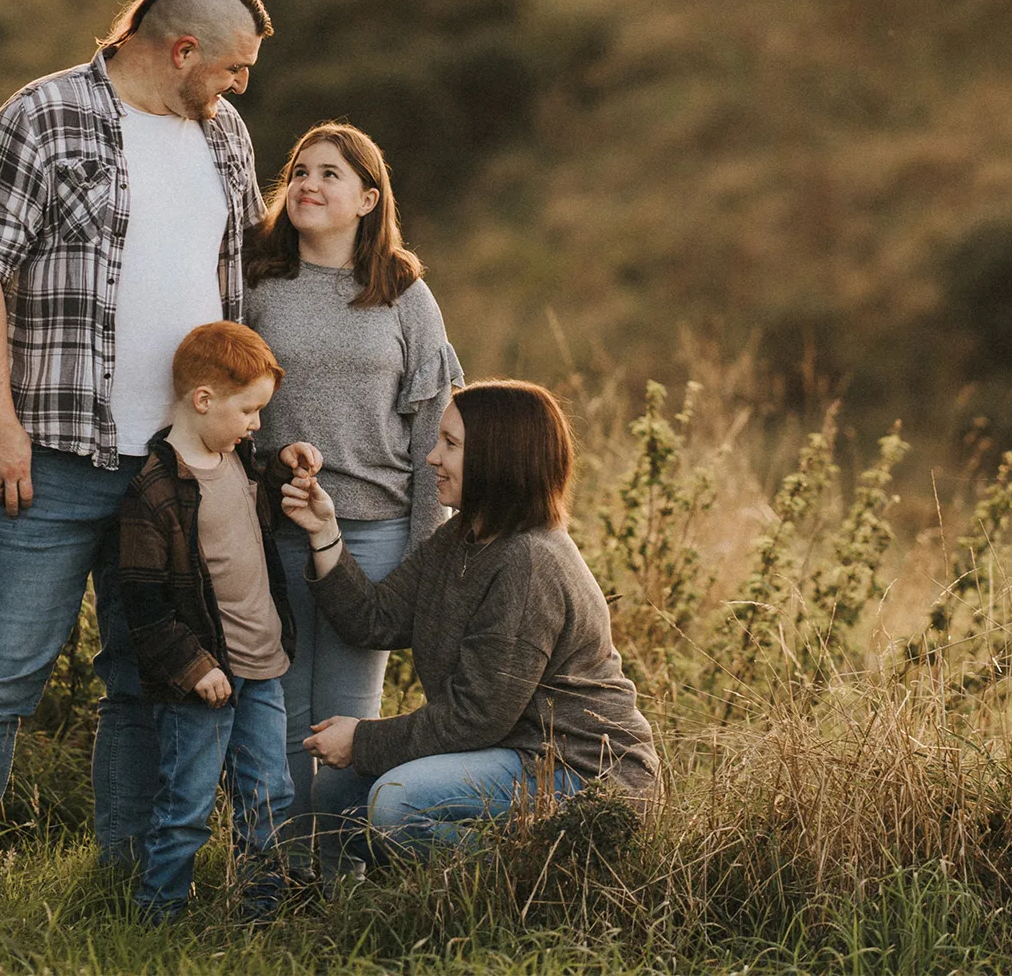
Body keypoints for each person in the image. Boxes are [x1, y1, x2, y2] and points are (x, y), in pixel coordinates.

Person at [0, 0, 273, 904]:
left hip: (178, 469)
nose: (240, 88)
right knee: (0, 679)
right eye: (232, 67)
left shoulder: (224, 134)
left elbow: (238, 279)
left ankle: (120, 884)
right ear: (182, 49)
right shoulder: (42, 117)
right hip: (55, 456)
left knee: (146, 679)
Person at [279, 379, 659, 865]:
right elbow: (375, 620)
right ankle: (348, 908)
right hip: (509, 753)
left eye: (450, 445)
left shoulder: (528, 562)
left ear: (498, 459)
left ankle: (553, 873)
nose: (432, 458)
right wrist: (324, 531)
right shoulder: (461, 536)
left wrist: (363, 739)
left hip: (579, 771)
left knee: (396, 803)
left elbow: (477, 717)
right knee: (336, 794)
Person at [244, 122, 462, 872]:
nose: (307, 183)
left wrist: (426, 552)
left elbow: (435, 421)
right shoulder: (256, 284)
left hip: (372, 535)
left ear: (368, 198)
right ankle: (272, 871)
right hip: (271, 526)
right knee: (273, 710)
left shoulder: (403, 292)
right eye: (300, 170)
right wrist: (273, 464)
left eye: (330, 174)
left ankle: (335, 876)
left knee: (345, 719)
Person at [117, 322, 318, 921]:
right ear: (203, 400)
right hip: (203, 681)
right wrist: (192, 665)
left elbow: (254, 509)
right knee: (187, 805)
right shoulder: (154, 493)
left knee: (269, 796)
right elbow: (144, 604)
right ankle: (159, 918)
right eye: (250, 410)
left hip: (263, 669)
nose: (257, 423)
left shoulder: (238, 459)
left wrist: (285, 463)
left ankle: (262, 912)